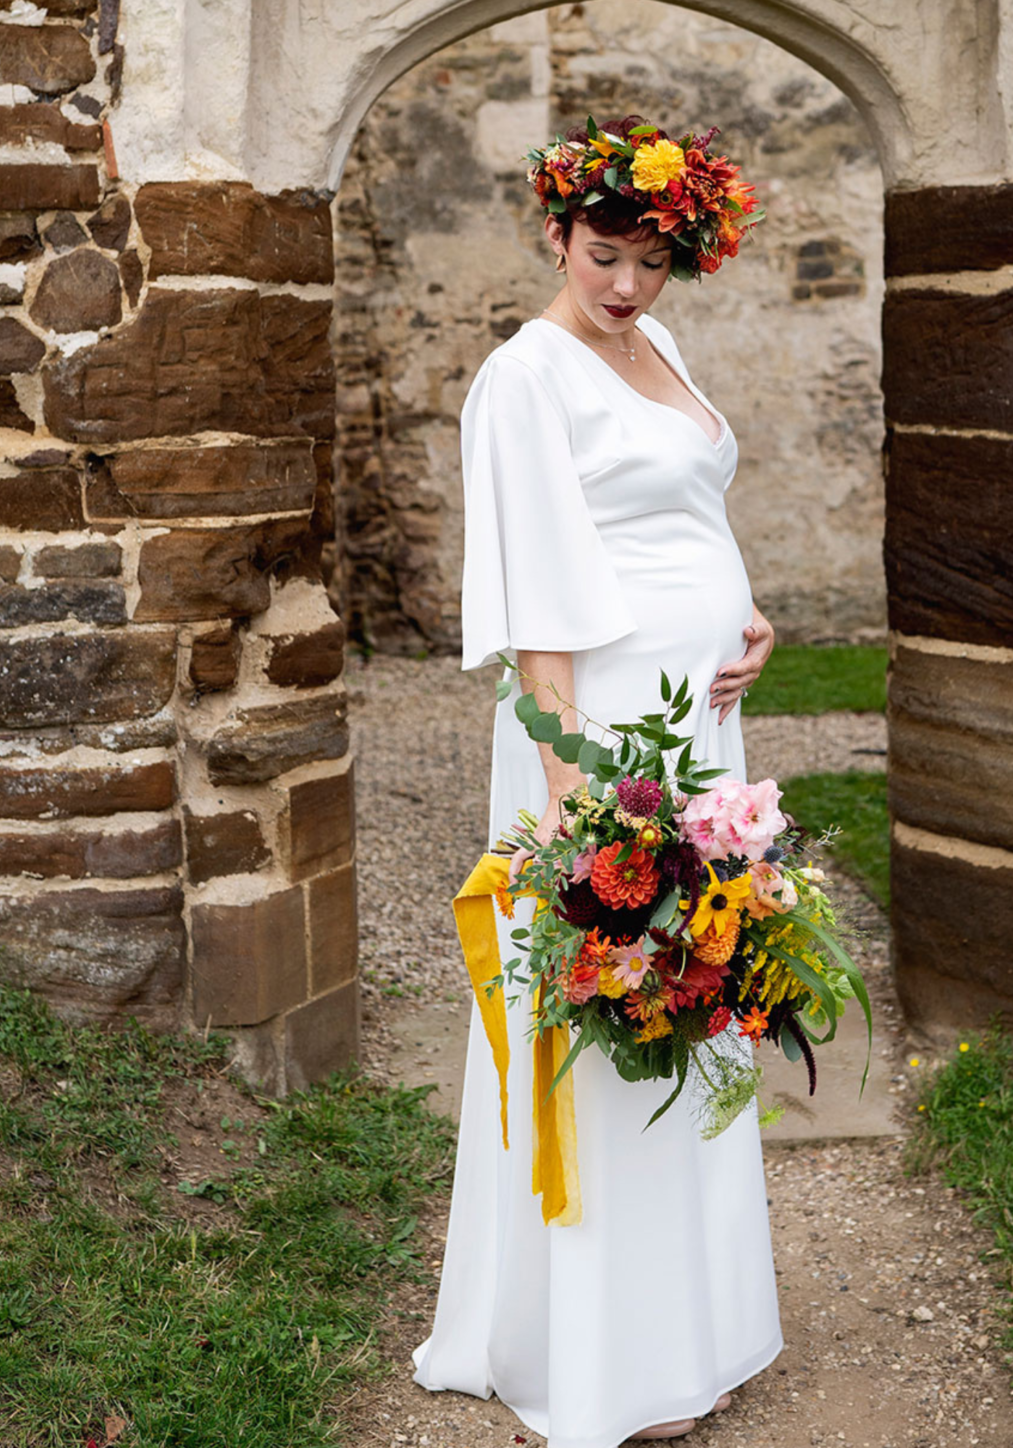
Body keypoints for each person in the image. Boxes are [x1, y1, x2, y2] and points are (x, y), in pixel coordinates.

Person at [412, 114, 782, 1447]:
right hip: (605, 740)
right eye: (603, 253)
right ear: (558, 233)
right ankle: (606, 1351)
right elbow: (536, 596)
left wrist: (748, 619)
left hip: (695, 719)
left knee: (705, 977)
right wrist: (573, 792)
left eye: (650, 261)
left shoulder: (657, 346)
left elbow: (689, 511)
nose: (624, 284)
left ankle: (695, 1321)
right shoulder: (527, 375)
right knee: (621, 987)